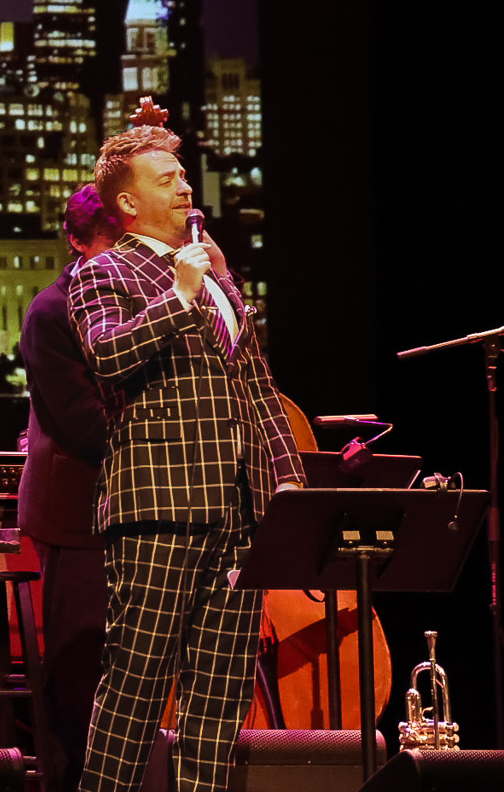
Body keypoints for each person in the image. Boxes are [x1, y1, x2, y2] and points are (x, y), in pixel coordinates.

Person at [71, 125, 302, 792]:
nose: (184, 185)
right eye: (165, 177)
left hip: (238, 512)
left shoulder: (219, 278)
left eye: (182, 173)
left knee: (219, 702)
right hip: (160, 510)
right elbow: (109, 355)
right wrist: (178, 294)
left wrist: (287, 480)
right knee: (135, 690)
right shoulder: (103, 270)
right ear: (128, 204)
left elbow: (257, 385)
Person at [17, 184, 121, 792]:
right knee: (80, 676)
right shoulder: (53, 311)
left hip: (135, 508)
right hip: (79, 516)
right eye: (109, 247)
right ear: (77, 243)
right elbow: (82, 423)